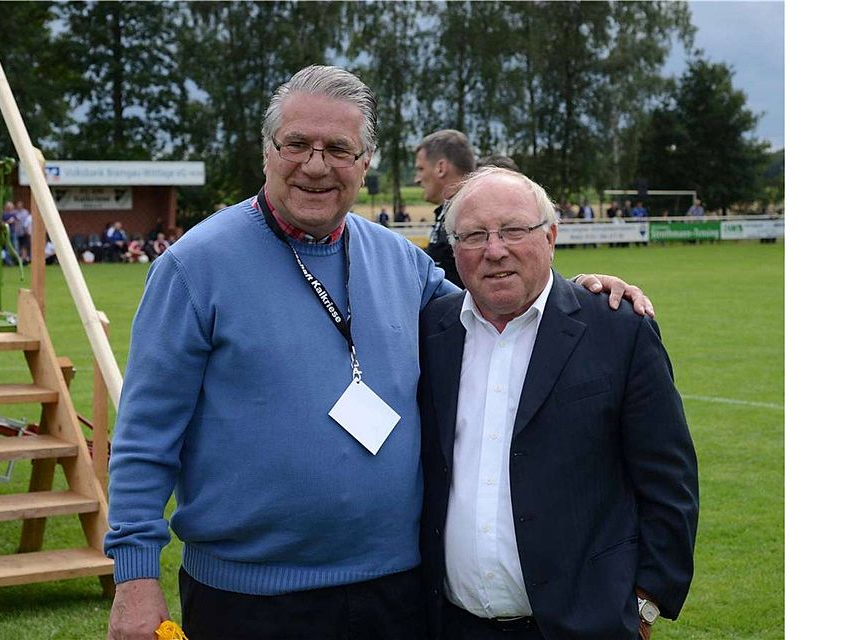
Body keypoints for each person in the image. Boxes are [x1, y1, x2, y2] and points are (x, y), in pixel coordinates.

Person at [105, 65, 655, 640]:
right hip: (249, 598)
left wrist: (578, 295)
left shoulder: (403, 262)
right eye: (296, 144)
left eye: (339, 148)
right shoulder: (194, 267)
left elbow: (499, 311)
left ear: (366, 163)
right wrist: (135, 577)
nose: (315, 165)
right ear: (267, 151)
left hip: (399, 593)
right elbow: (145, 437)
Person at [418, 167, 699, 640]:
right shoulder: (431, 331)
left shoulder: (617, 327)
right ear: (454, 249)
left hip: (585, 626)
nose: (494, 249)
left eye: (513, 230)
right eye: (474, 236)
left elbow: (669, 482)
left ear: (550, 236)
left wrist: (647, 601)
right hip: (452, 625)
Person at [414, 129, 475, 288]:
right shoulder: (449, 211)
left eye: (421, 169)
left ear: (441, 168)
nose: (417, 179)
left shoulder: (470, 215)